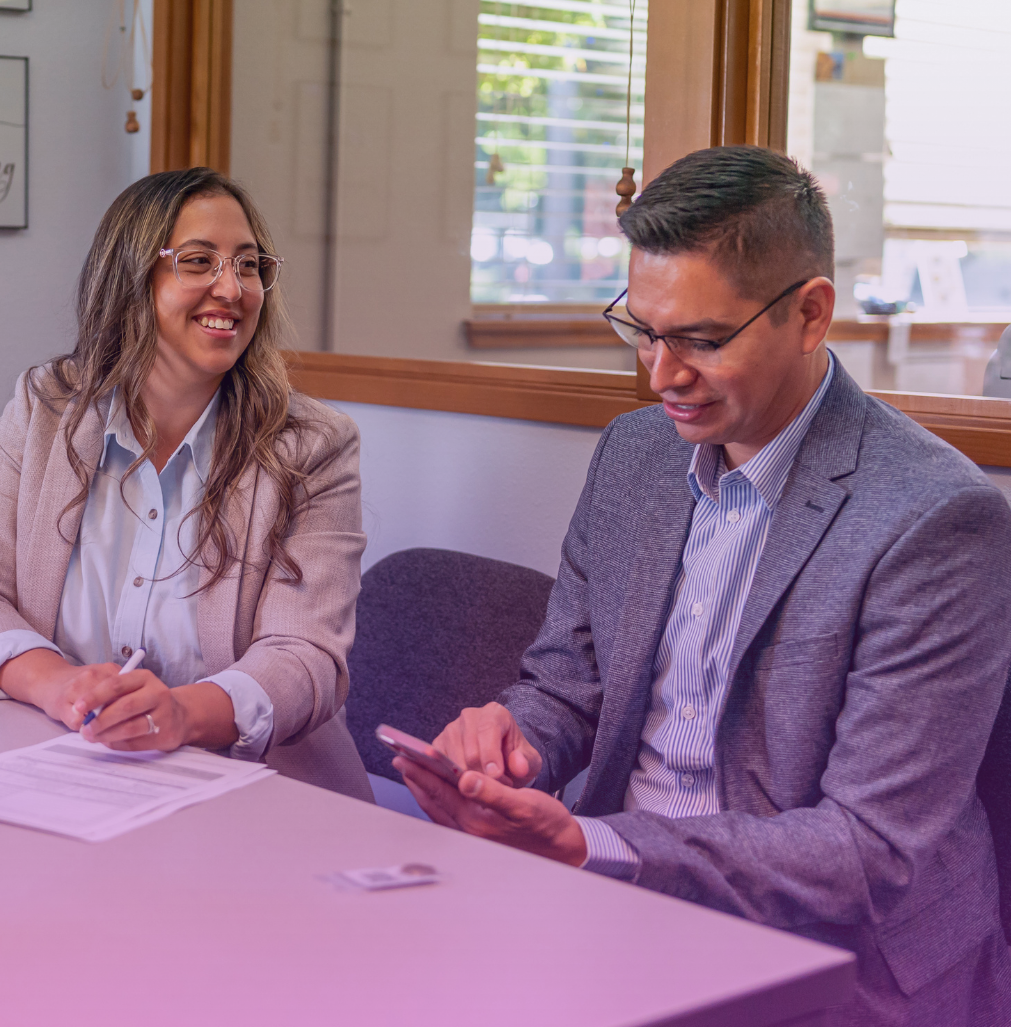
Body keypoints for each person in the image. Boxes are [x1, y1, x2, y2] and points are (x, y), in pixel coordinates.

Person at [395, 145, 1011, 1026]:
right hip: (616, 902)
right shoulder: (637, 456)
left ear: (811, 314)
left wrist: (593, 842)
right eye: (643, 329)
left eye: (703, 341)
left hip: (834, 956)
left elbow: (867, 850)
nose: (660, 375)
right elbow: (567, 685)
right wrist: (512, 748)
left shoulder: (934, 519)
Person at [0, 167, 371, 798]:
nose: (232, 288)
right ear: (131, 278)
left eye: (247, 266)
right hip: (68, 776)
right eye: (198, 261)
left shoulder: (312, 446)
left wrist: (183, 716)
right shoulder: (45, 408)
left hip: (257, 796)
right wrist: (60, 686)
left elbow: (305, 658)